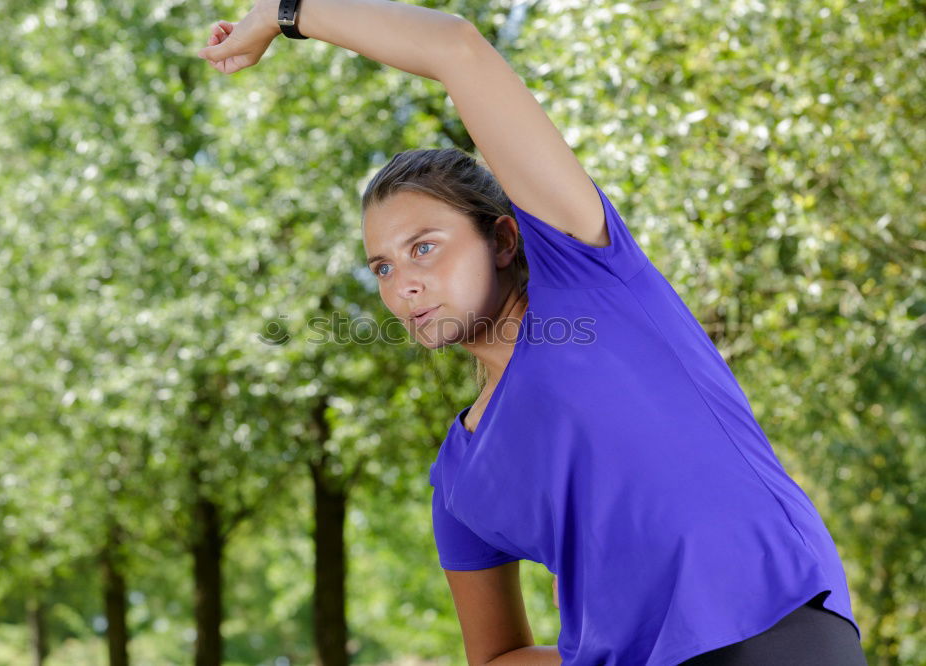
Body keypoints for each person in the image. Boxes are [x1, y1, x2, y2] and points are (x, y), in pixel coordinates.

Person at [196, 2, 869, 665]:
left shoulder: (590, 274)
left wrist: (288, 13)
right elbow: (497, 657)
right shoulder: (458, 481)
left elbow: (457, 48)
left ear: (503, 237)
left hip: (778, 625)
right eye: (381, 266)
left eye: (425, 247)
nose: (403, 283)